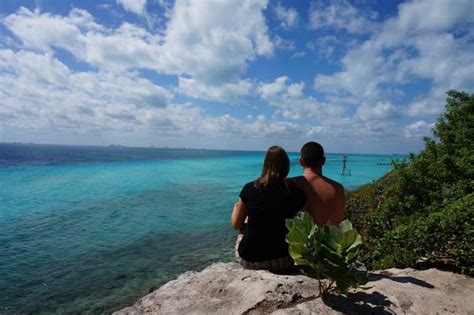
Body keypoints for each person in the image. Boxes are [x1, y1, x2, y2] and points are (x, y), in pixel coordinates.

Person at [231, 146, 306, 273]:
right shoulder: (297, 193)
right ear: (287, 166)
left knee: (245, 225)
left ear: (265, 165)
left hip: (251, 260)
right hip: (283, 261)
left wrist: (237, 207)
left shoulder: (250, 188)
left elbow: (236, 224)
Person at [292, 141, 345, 227]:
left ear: (301, 162)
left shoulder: (290, 184)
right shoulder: (338, 189)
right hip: (330, 240)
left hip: (298, 240)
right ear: (323, 161)